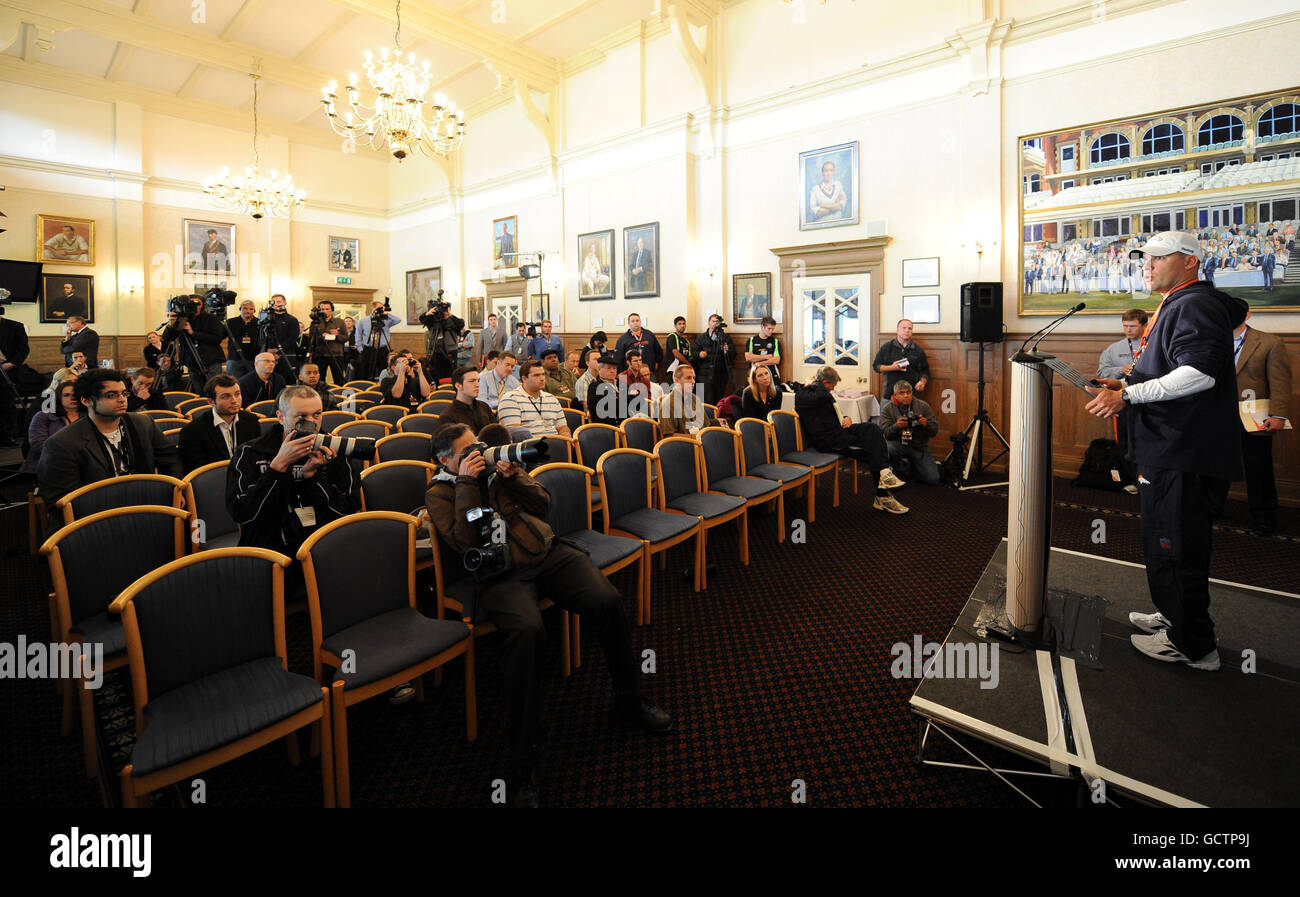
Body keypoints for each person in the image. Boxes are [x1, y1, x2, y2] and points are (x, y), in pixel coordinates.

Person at [425, 423, 671, 805]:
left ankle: (629, 700)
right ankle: (524, 760)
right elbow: (466, 541)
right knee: (527, 632)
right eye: (467, 452)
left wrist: (514, 476)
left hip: (546, 551)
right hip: (500, 574)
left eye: (479, 447)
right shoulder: (440, 492)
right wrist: (467, 482)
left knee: (607, 601)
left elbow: (543, 504)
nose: (478, 454)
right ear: (445, 459)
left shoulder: (498, 468)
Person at [1084, 230, 1248, 671]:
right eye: (1146, 258)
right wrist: (1128, 383)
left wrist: (1129, 397)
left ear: (1190, 261)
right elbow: (1171, 369)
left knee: (1176, 545)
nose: (1148, 265)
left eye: (1159, 257)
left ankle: (1194, 645)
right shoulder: (1180, 302)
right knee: (1168, 542)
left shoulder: (1194, 304)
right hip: (1171, 449)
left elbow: (1199, 374)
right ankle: (1175, 615)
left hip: (1181, 450)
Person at [227, 385, 359, 562]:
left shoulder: (334, 450)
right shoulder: (250, 453)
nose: (311, 423)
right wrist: (277, 467)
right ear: (281, 417)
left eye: (317, 414)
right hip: (269, 548)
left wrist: (312, 477)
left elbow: (346, 512)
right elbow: (245, 514)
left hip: (323, 545)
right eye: (301, 416)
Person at [36, 368, 182, 513]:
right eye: (111, 395)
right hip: (98, 516)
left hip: (145, 503)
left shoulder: (142, 423)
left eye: (124, 393)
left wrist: (173, 490)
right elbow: (62, 501)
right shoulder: (62, 443)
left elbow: (171, 459)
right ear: (86, 400)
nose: (121, 399)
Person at [795, 365, 908, 514]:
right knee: (874, 449)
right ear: (824, 383)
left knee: (873, 429)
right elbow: (822, 397)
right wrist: (815, 383)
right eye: (832, 386)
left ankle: (885, 474)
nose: (832, 390)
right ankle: (883, 495)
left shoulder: (819, 392)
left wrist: (845, 418)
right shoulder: (804, 394)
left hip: (839, 431)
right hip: (828, 441)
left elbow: (832, 412)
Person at [1233, 311, 1292, 535]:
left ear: (1246, 315)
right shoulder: (1211, 340)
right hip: (1218, 418)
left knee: (1259, 470)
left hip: (1254, 417)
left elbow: (1280, 382)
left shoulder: (1269, 342)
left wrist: (1278, 415)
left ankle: (1264, 517)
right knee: (1215, 468)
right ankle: (1212, 508)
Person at [177, 374, 260, 472]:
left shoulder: (251, 420)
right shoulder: (192, 431)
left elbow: (257, 456)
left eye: (237, 394)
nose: (234, 400)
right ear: (211, 401)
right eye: (226, 397)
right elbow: (197, 473)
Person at [879, 380, 940, 485]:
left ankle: (910, 467)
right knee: (889, 448)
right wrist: (896, 426)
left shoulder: (923, 406)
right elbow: (885, 434)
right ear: (895, 395)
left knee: (932, 479)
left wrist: (926, 424)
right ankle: (900, 468)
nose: (906, 395)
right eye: (902, 393)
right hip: (897, 444)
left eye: (908, 392)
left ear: (912, 393)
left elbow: (934, 431)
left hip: (918, 445)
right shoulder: (887, 409)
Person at [20, 378, 80, 475]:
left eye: (75, 395)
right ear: (58, 397)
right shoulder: (43, 416)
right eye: (66, 395)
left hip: (82, 464)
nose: (72, 398)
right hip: (50, 466)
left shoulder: (89, 416)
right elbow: (39, 445)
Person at [498, 361, 571, 438]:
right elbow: (515, 435)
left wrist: (565, 435)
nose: (542, 378)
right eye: (536, 375)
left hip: (555, 443)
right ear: (524, 378)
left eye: (543, 374)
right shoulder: (510, 399)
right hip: (529, 447)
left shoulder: (552, 399)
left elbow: (562, 427)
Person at [871, 318, 930, 396]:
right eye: (904, 328)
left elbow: (925, 371)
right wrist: (891, 367)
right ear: (897, 330)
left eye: (910, 328)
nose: (907, 330)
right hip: (890, 393)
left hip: (910, 394)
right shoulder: (887, 347)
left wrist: (922, 382)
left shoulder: (918, 350)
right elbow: (876, 366)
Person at [0, 312, 32, 446]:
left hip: (6, 371)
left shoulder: (14, 326)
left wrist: (12, 364)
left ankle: (8, 435)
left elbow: (24, 349)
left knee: (6, 403)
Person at [438, 365, 497, 435]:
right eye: (472, 381)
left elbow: (496, 433)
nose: (477, 385)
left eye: (478, 381)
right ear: (458, 386)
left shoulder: (484, 407)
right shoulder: (447, 416)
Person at [657, 364, 714, 437]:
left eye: (694, 378)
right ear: (676, 380)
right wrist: (694, 437)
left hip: (701, 443)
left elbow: (706, 427)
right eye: (688, 378)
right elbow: (669, 436)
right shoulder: (667, 404)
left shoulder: (696, 399)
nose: (693, 382)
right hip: (683, 446)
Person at [694, 314, 735, 405]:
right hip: (704, 373)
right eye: (713, 321)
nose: (715, 323)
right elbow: (694, 354)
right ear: (709, 323)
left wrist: (727, 351)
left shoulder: (725, 338)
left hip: (720, 373)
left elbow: (733, 354)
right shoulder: (701, 337)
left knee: (718, 398)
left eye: (717, 322)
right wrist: (700, 354)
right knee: (703, 398)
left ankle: (717, 416)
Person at [356, 300, 401, 380]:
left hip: (382, 349)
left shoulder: (386, 320)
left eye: (382, 308)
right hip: (368, 349)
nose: (382, 309)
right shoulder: (363, 321)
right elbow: (358, 335)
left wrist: (386, 314)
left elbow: (398, 320)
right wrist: (360, 349)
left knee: (384, 370)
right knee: (366, 371)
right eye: (379, 308)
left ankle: (383, 386)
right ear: (373, 308)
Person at [261, 294, 302, 383]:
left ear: (285, 302)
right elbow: (262, 337)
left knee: (287, 381)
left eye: (279, 301)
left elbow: (292, 338)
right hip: (269, 355)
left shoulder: (292, 319)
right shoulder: (266, 319)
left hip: (286, 355)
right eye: (273, 302)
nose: (276, 304)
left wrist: (277, 351)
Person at [1096, 308, 1148, 379]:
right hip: (1122, 388)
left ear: (1145, 326)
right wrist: (1121, 370)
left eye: (1133, 326)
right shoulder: (1113, 348)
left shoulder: (1154, 345)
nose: (1128, 330)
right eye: (1125, 326)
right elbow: (1101, 372)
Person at [307, 301, 348, 386]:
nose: (324, 311)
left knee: (339, 379)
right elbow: (311, 338)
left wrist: (337, 335)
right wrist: (321, 336)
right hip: (320, 354)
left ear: (332, 310)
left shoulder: (339, 321)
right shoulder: (315, 322)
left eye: (327, 309)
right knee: (319, 379)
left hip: (336, 354)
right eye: (322, 309)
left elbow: (345, 338)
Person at [586, 354, 628, 427]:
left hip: (626, 424)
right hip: (606, 426)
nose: (612, 371)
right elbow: (607, 408)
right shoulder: (594, 386)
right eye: (608, 368)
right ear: (599, 369)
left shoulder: (621, 383)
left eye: (614, 368)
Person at [744, 316, 783, 388]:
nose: (771, 331)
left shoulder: (775, 341)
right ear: (762, 327)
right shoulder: (752, 340)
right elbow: (748, 357)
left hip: (771, 373)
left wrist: (758, 363)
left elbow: (776, 360)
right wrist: (766, 357)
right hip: (755, 373)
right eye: (769, 329)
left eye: (772, 329)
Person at [225, 299, 260, 378]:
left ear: (254, 311)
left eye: (251, 309)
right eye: (245, 308)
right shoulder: (230, 322)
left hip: (253, 359)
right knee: (233, 383)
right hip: (235, 358)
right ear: (240, 309)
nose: (248, 311)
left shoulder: (259, 323)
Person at [618, 349, 652, 417]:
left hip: (644, 411)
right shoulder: (622, 377)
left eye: (640, 360)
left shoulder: (645, 379)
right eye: (635, 361)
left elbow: (648, 398)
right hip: (627, 413)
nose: (639, 363)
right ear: (628, 362)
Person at [663, 316, 692, 380]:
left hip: (684, 369)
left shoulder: (686, 341)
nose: (682, 326)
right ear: (675, 326)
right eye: (679, 324)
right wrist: (689, 364)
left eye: (683, 323)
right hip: (674, 369)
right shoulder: (673, 336)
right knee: (675, 389)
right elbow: (676, 354)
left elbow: (689, 356)